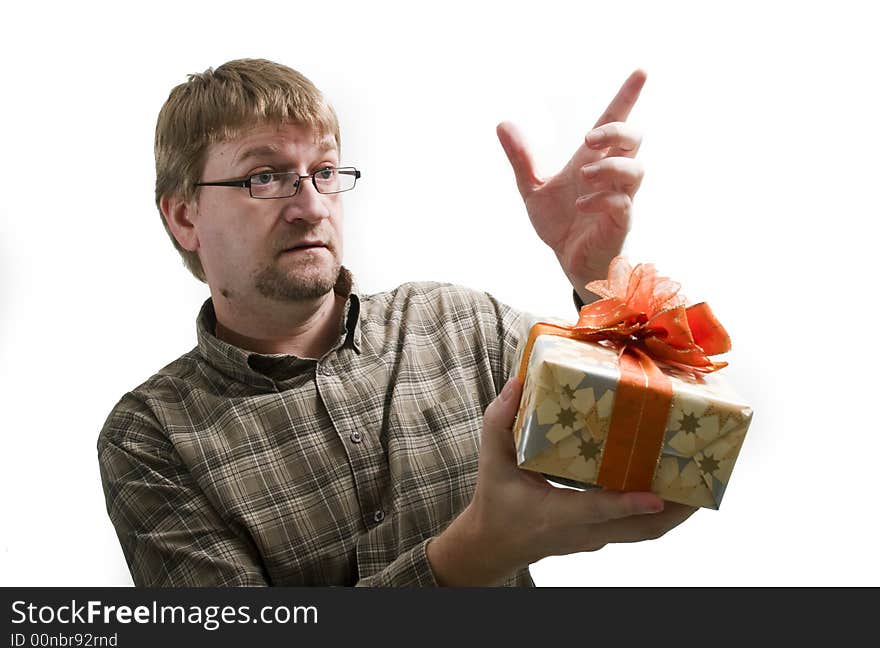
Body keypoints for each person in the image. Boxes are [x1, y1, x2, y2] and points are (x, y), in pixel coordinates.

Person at [97, 58, 696, 587]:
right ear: (184, 217)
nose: (310, 207)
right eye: (266, 177)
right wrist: (470, 560)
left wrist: (599, 281)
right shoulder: (151, 438)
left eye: (325, 172)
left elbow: (681, 448)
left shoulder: (458, 326)